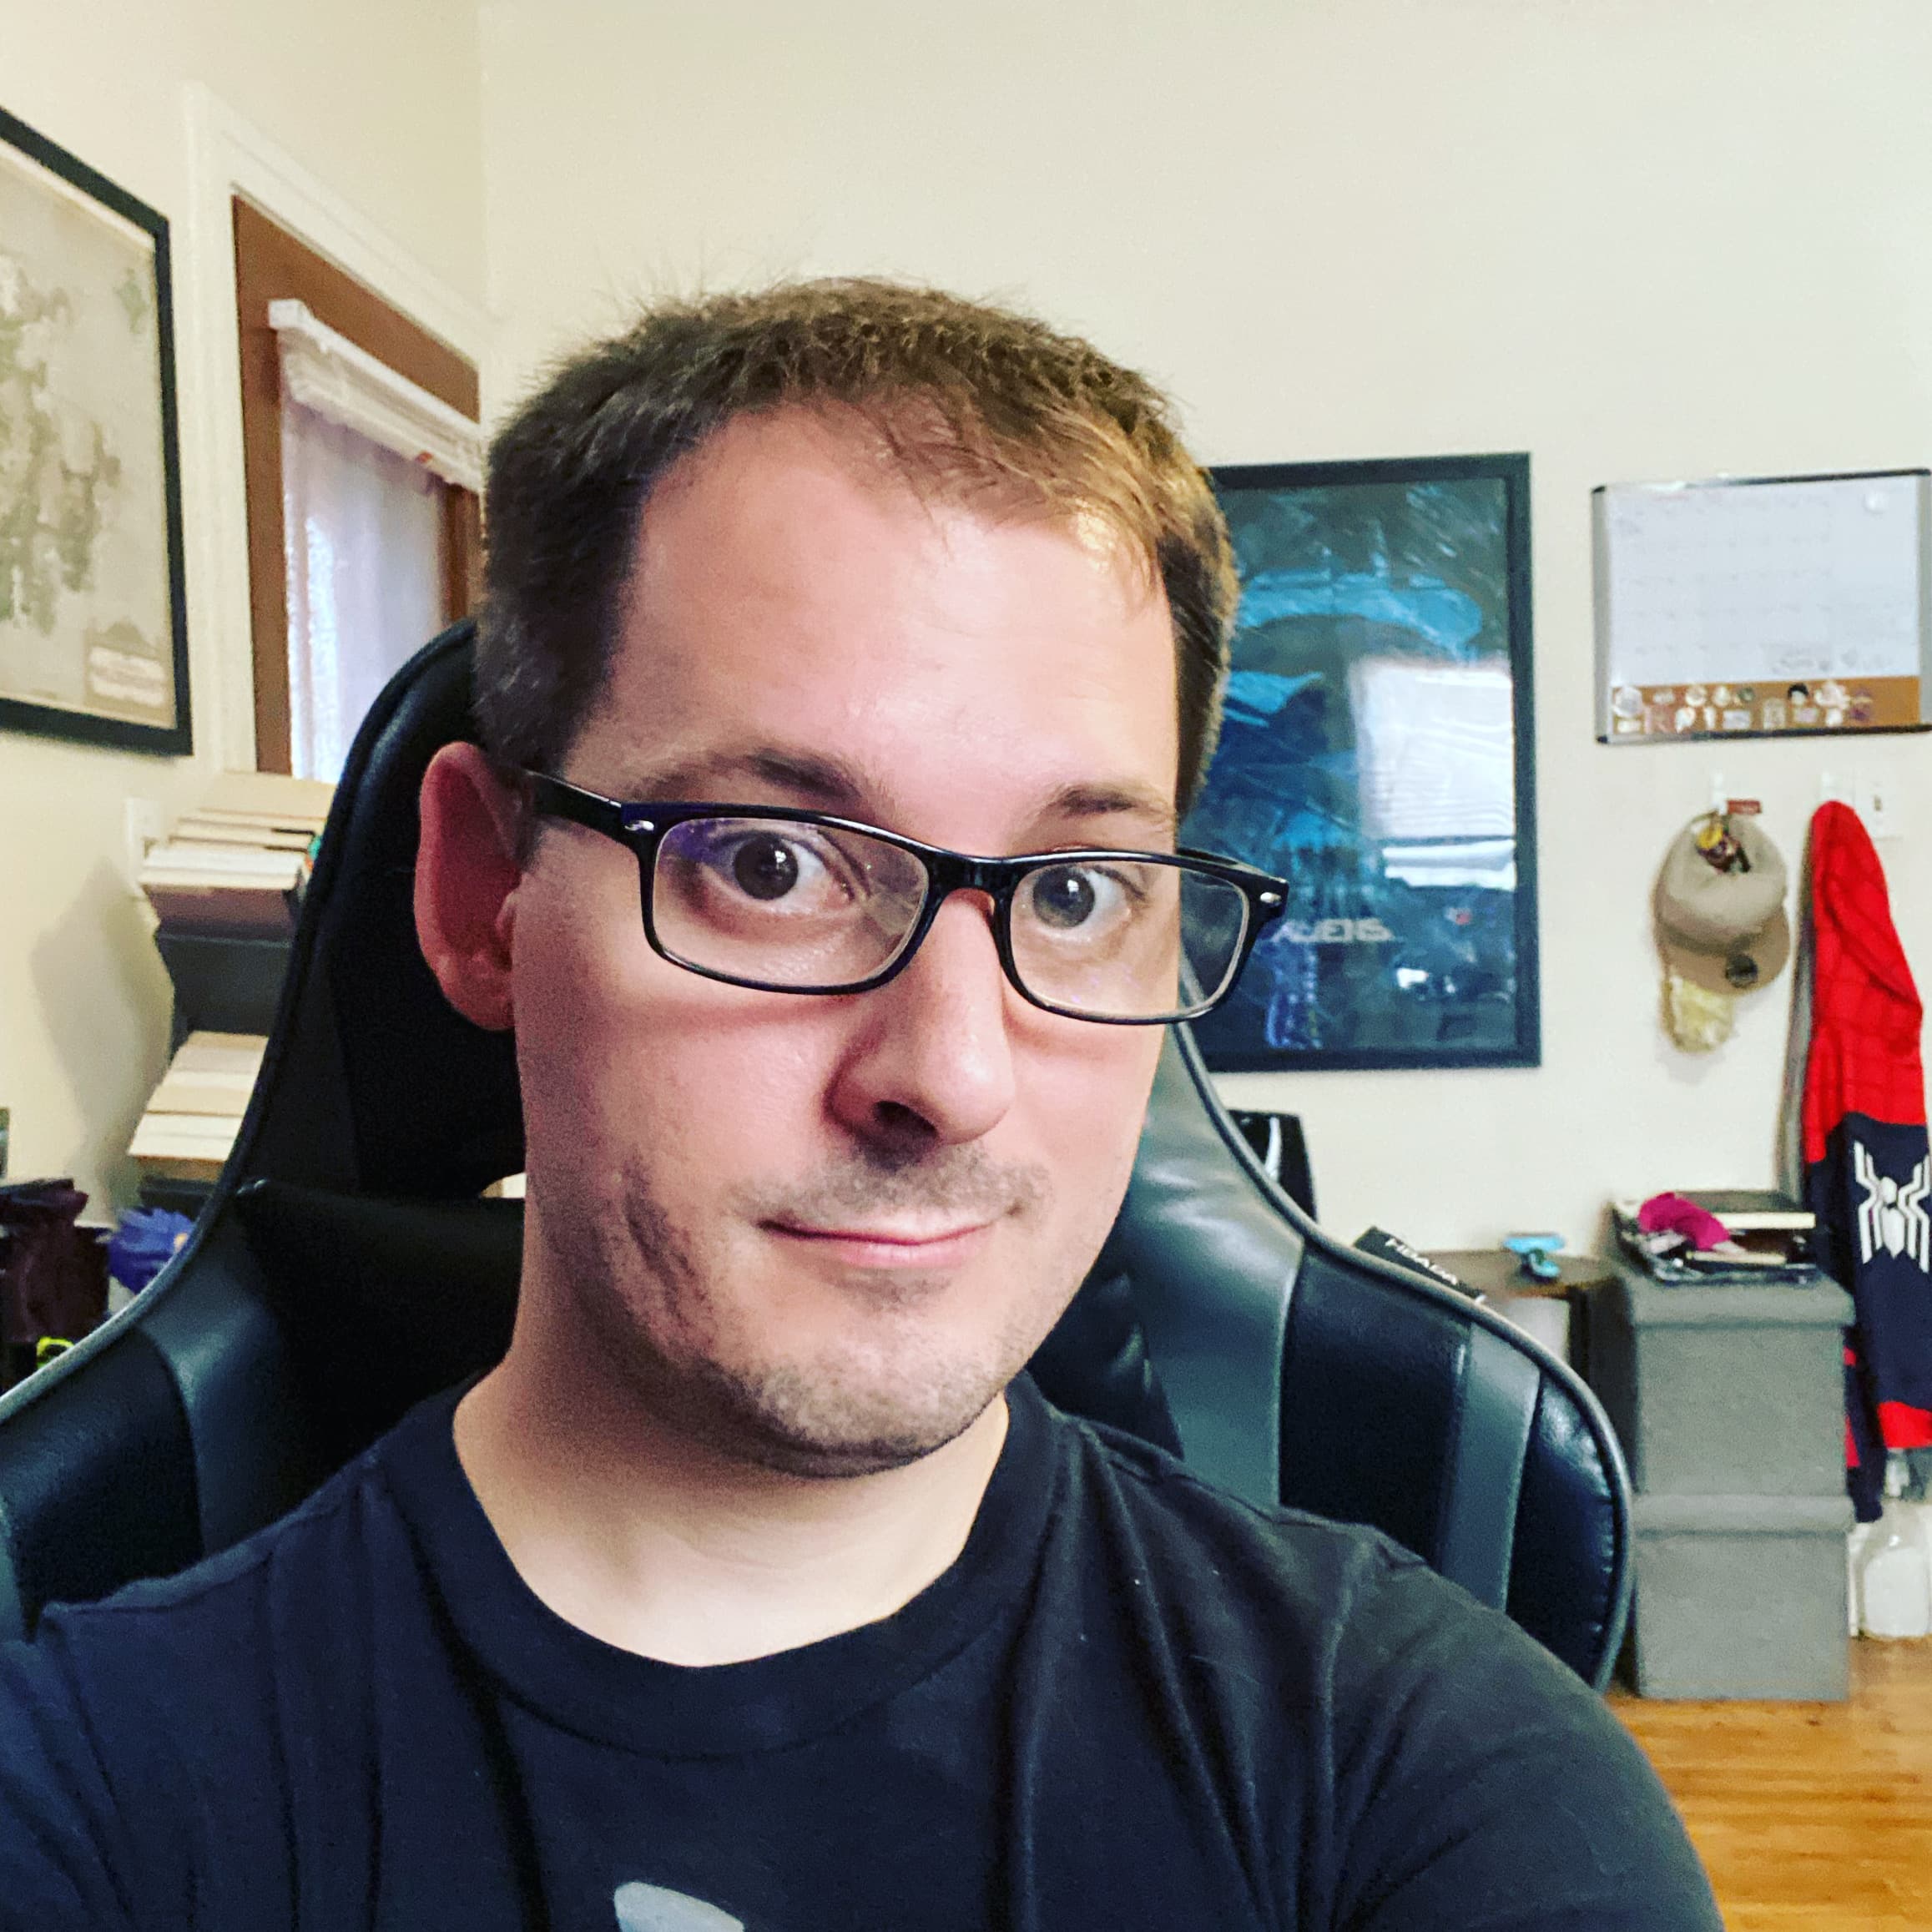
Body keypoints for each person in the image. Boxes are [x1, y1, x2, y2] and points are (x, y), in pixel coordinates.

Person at [0, 280, 1719, 1930]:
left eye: (1072, 891)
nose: (950, 1077)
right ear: (480, 899)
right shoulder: (87, 1800)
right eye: (770, 861)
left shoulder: (1435, 1782)